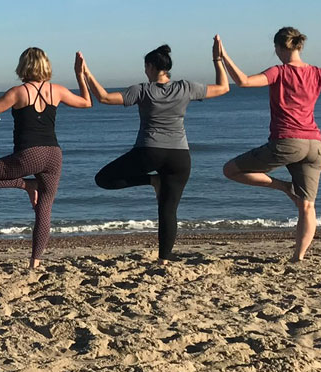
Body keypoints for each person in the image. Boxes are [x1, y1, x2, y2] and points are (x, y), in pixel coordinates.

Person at [218, 28, 321, 261]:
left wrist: (223, 57)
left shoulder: (279, 72)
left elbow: (243, 81)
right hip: (314, 146)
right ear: (299, 47)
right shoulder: (318, 73)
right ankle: (299, 257)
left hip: (287, 142)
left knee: (230, 170)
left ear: (278, 48)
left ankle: (284, 187)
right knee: (307, 206)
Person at [78, 42, 229, 261]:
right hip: (180, 156)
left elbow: (104, 97)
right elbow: (223, 87)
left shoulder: (142, 90)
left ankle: (151, 181)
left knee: (103, 179)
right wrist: (217, 59)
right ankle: (164, 258)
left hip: (149, 151)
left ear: (150, 67)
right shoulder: (185, 87)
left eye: (145, 66)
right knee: (168, 211)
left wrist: (86, 73)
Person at [0, 47, 91, 269]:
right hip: (54, 154)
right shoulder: (58, 90)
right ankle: (35, 262)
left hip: (29, 154)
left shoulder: (18, 92)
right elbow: (86, 102)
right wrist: (79, 76)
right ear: (46, 66)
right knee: (44, 208)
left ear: (23, 66)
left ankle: (26, 185)